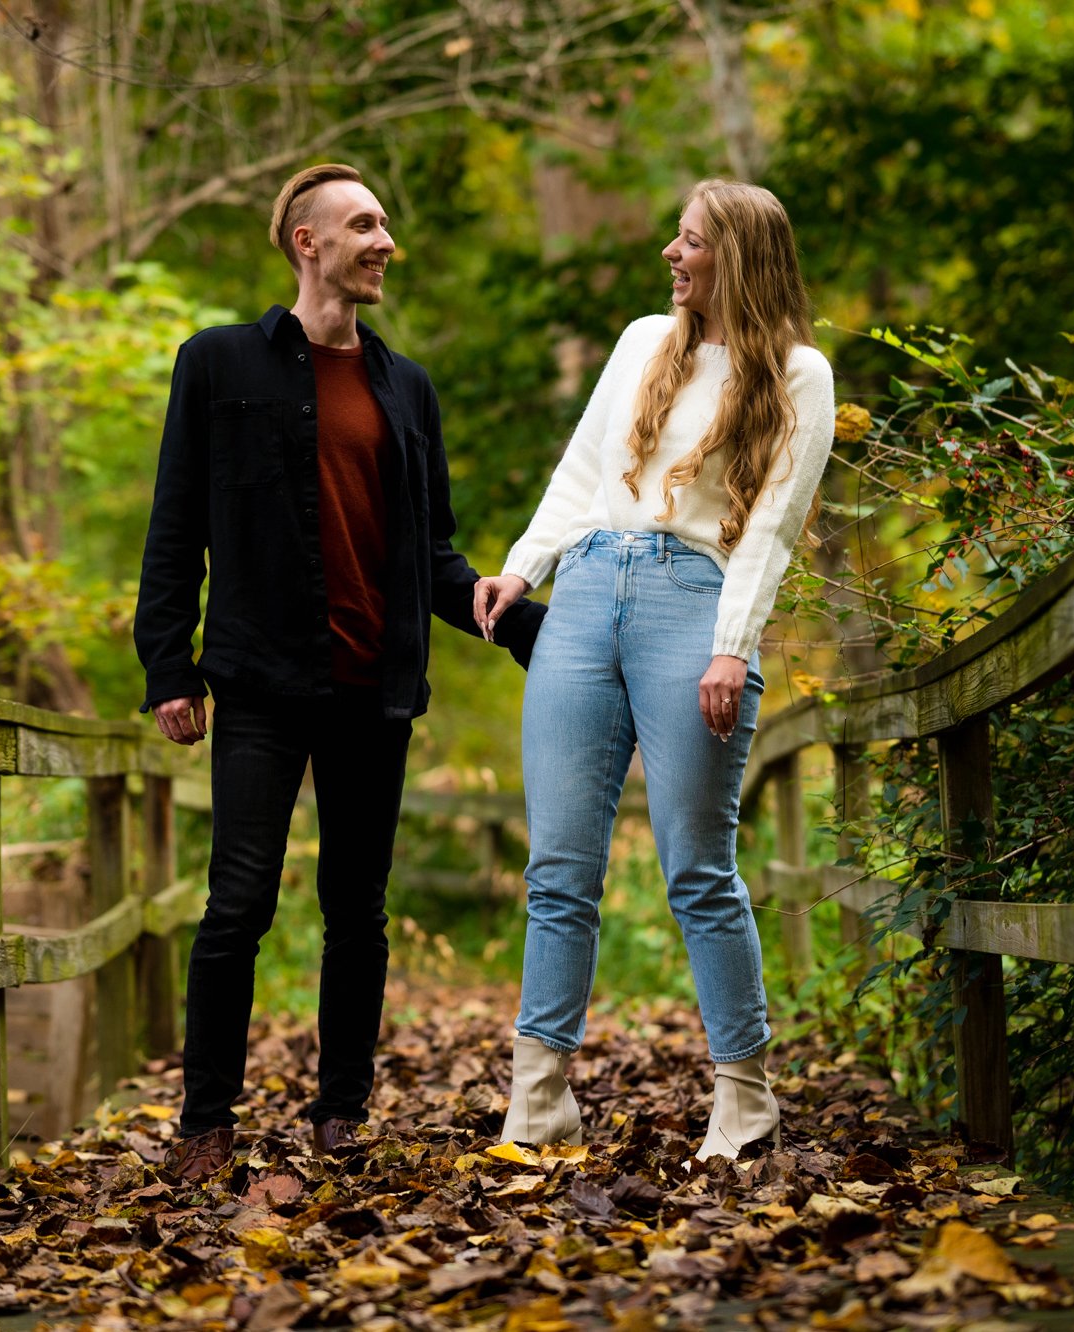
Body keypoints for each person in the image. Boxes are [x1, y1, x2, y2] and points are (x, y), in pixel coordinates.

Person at [135, 163, 546, 1182]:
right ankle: (204, 1124)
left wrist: (509, 615)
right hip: (262, 683)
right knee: (237, 905)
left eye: (385, 226)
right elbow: (175, 527)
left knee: (355, 910)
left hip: (376, 688)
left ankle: (340, 1113)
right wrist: (167, 669)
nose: (384, 243)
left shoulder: (406, 388)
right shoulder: (218, 365)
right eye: (364, 225)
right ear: (304, 242)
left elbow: (431, 554)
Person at [473, 179, 834, 1162]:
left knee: (696, 868)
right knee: (557, 867)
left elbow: (771, 526)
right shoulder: (642, 340)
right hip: (587, 593)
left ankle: (743, 1096)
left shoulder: (800, 375)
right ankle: (538, 1099)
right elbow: (585, 469)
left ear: (738, 259)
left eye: (688, 242)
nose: (670, 256)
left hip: (692, 600)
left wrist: (732, 643)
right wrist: (522, 563)